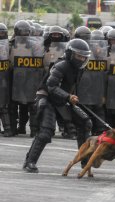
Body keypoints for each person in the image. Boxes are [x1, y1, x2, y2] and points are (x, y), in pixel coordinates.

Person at [23, 39, 93, 173]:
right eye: (79, 55)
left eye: (84, 56)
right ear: (70, 53)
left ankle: (85, 162)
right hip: (47, 99)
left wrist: (70, 97)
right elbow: (51, 86)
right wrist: (68, 96)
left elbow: (70, 86)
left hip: (63, 101)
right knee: (45, 132)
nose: (82, 58)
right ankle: (30, 162)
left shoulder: (79, 69)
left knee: (85, 122)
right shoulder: (61, 65)